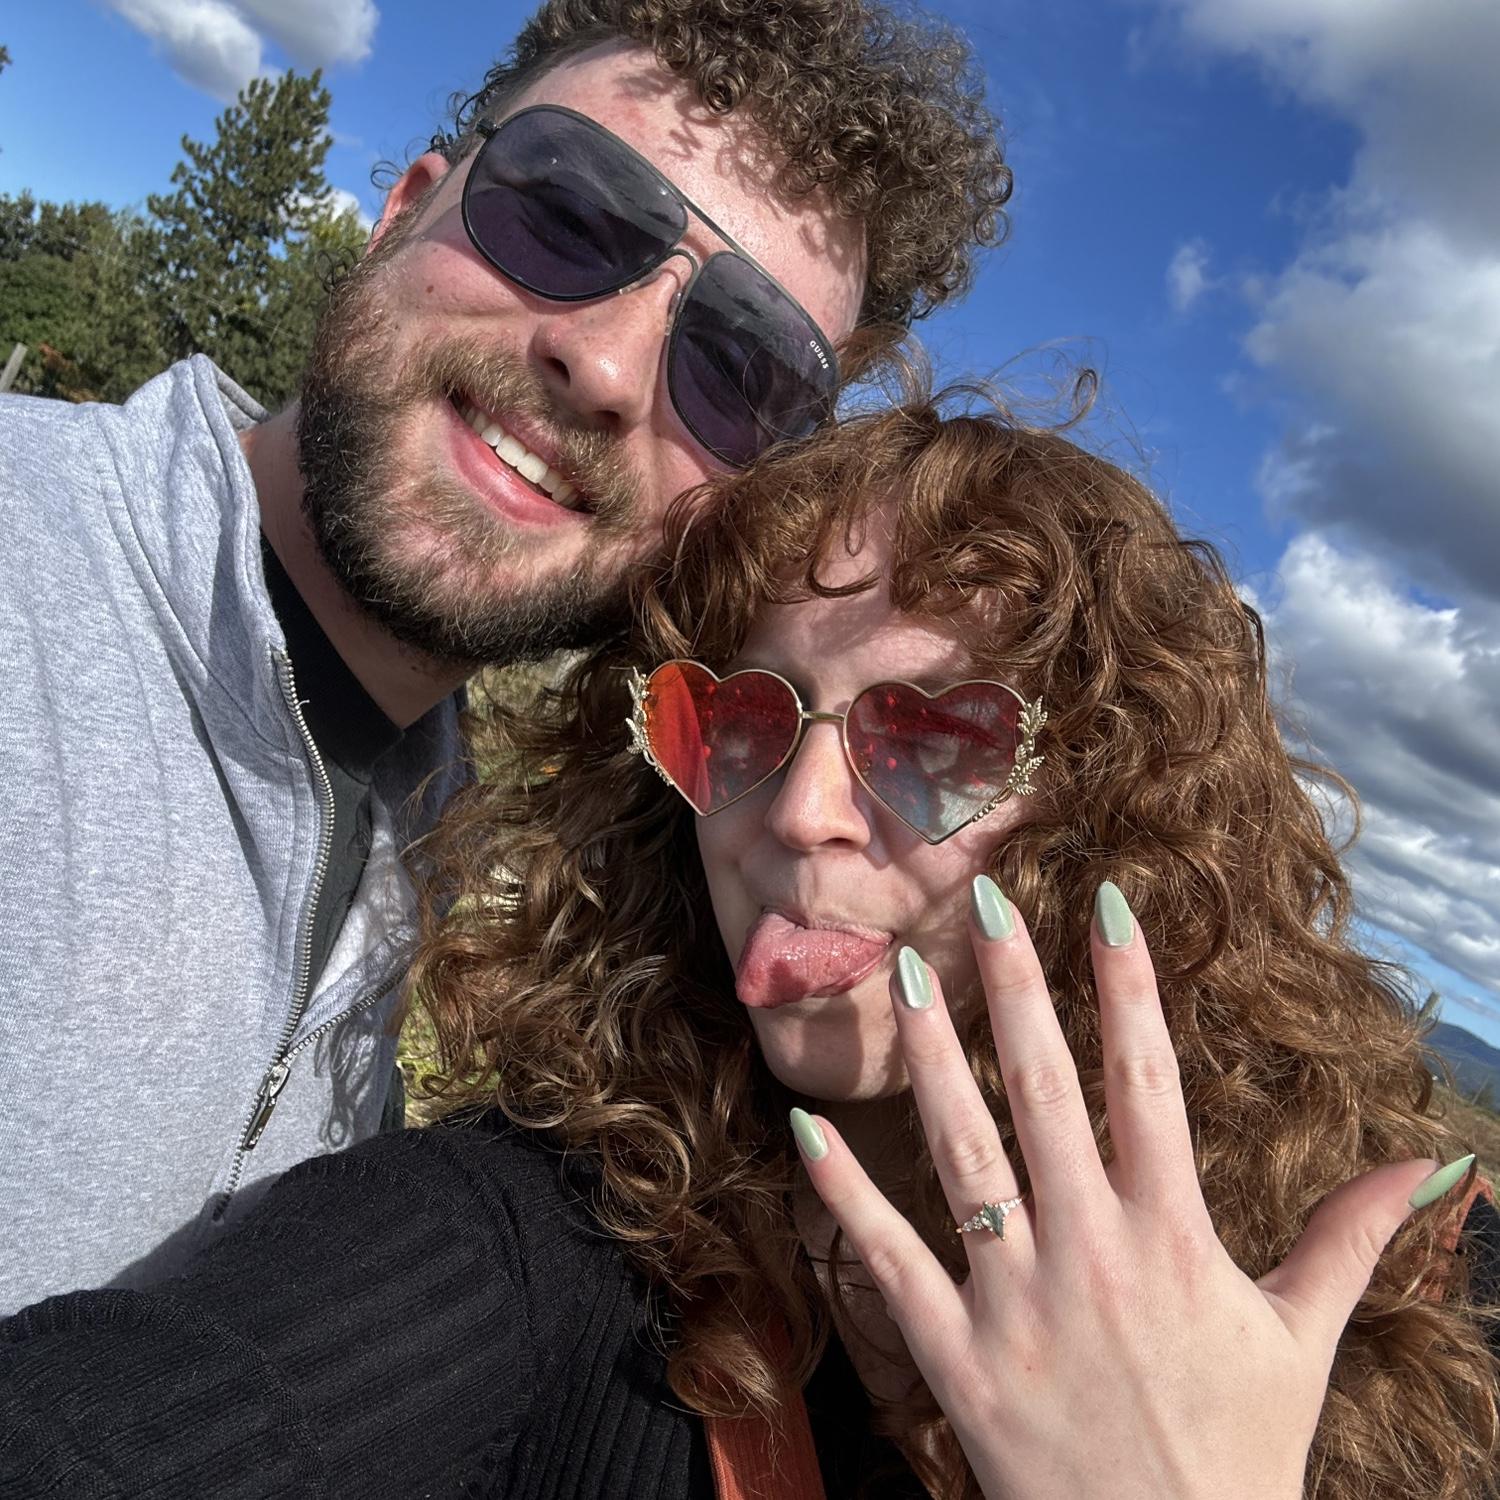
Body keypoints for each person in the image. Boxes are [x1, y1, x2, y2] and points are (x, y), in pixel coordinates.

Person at [2, 391, 1496, 1499]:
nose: (797, 811)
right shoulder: (540, 1253)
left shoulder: (1424, 1291)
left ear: (1120, 822)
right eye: (740, 719)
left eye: (935, 738)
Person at [0, 0, 1011, 1313]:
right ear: (401, 211)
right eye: (569, 216)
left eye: (740, 367)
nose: (606, 367)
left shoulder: (457, 835)